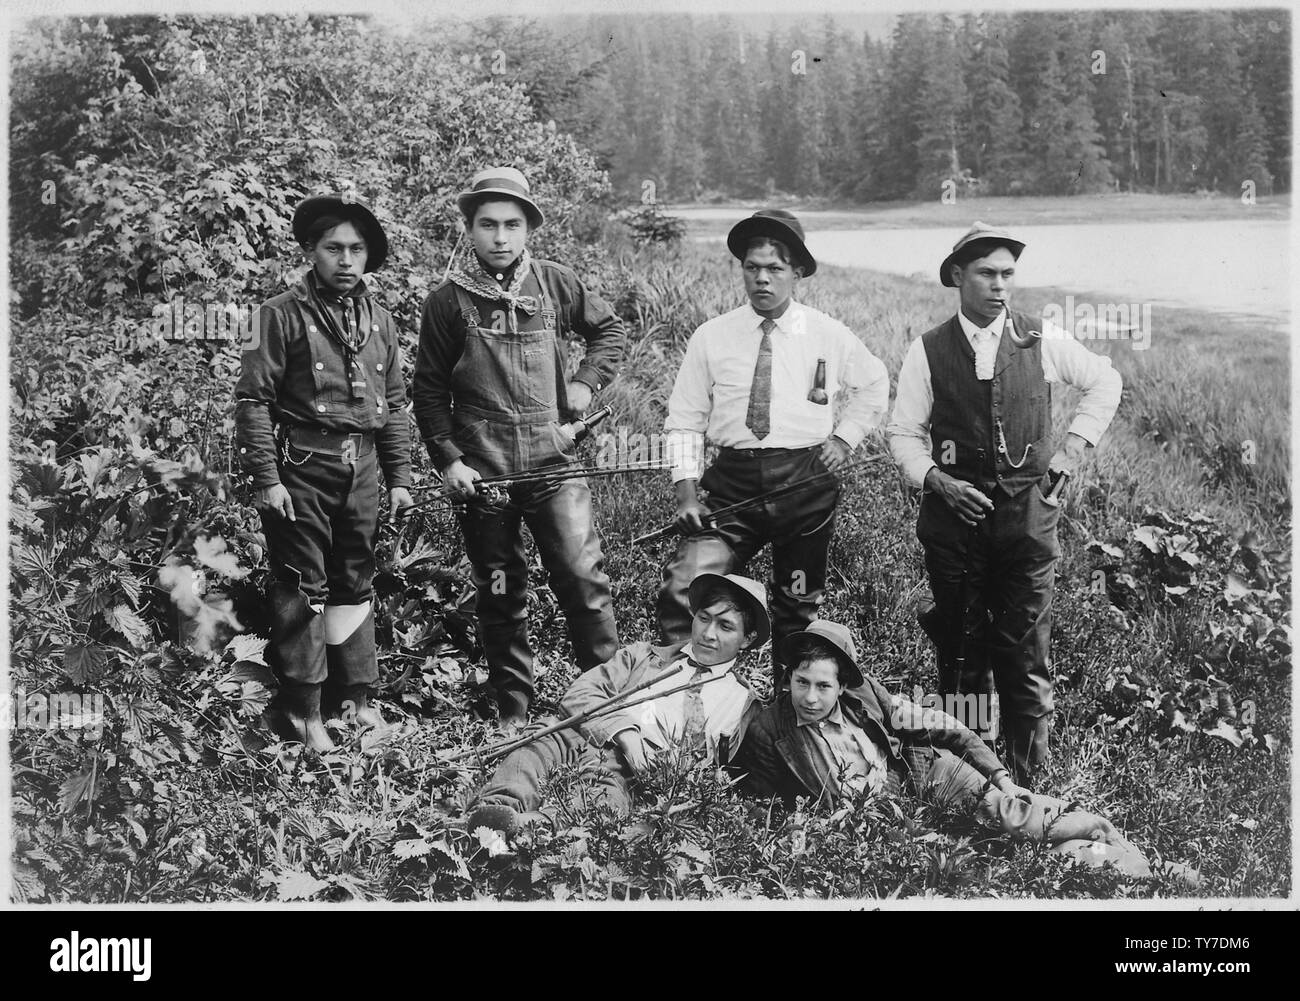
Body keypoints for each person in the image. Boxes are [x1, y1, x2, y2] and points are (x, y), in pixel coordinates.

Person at [887, 222, 1122, 783]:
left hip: (1027, 523)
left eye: (1007, 275)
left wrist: (1070, 450)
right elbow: (901, 434)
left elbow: (1105, 381)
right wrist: (938, 482)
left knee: (1025, 652)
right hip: (953, 527)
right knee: (962, 650)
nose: (999, 286)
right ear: (957, 277)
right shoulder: (928, 350)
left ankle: (1030, 782)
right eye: (987, 274)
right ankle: (968, 776)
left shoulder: (1041, 338)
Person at [412, 166, 626, 728]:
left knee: (583, 580)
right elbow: (428, 391)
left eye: (512, 224)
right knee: (501, 590)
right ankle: (514, 709)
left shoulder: (556, 283)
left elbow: (610, 333)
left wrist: (584, 384)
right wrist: (449, 460)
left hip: (555, 464)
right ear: (470, 228)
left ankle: (602, 706)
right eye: (487, 225)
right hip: (486, 477)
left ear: (529, 227)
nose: (500, 237)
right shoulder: (447, 302)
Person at [656, 209, 890, 679]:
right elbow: (684, 418)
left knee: (797, 603)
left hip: (804, 487)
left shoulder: (826, 332)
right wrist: (685, 491)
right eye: (752, 267)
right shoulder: (713, 336)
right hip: (732, 488)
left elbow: (875, 383)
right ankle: (684, 694)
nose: (762, 279)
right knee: (688, 584)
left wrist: (844, 439)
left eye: (775, 268)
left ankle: (788, 707)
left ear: (797, 272)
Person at [730, 621, 1153, 874]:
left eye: (824, 686)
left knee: (1024, 823)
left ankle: (1107, 833)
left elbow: (948, 729)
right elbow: (771, 804)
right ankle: (1116, 855)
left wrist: (1001, 777)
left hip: (933, 777)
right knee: (1006, 856)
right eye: (801, 683)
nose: (809, 697)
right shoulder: (771, 732)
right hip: (893, 822)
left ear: (842, 687)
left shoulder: (870, 699)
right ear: (788, 679)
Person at [235, 194, 414, 752]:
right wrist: (268, 479)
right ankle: (303, 711)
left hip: (360, 468)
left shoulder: (380, 320)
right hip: (301, 468)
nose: (345, 259)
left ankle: (356, 702)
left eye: (356, 249)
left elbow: (398, 405)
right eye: (333, 248)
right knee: (300, 583)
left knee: (355, 579)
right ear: (311, 250)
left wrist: (401, 479)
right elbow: (253, 401)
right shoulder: (276, 314)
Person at [465, 573, 769, 839]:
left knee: (604, 800)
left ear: (747, 639)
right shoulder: (644, 656)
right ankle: (493, 813)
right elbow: (581, 693)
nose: (708, 633)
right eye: (704, 618)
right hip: (584, 731)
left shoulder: (744, 704)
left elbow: (741, 772)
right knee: (536, 744)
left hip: (634, 770)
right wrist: (627, 736)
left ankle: (527, 829)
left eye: (726, 626)